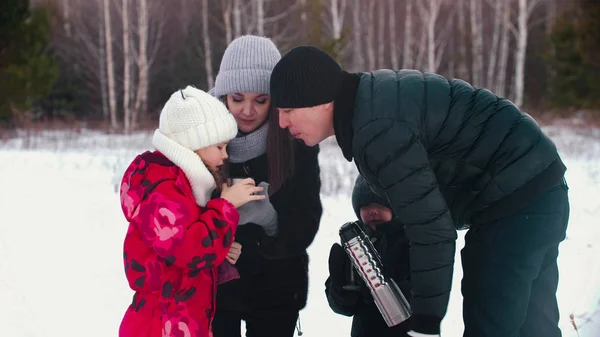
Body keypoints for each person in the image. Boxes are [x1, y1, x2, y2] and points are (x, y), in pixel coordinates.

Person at [269, 46, 570, 337]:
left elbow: (430, 229)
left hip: (514, 203)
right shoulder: (371, 103)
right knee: (534, 327)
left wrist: (424, 322)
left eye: (287, 110)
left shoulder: (375, 127)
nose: (282, 122)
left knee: (492, 325)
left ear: (320, 100)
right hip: (540, 187)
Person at [118, 86, 266, 337]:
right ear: (193, 145)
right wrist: (226, 207)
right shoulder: (162, 188)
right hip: (160, 325)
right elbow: (189, 249)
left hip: (183, 320)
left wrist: (221, 249)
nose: (225, 155)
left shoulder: (184, 186)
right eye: (219, 147)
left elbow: (181, 247)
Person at [209, 36, 323, 337]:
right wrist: (215, 233)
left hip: (278, 289)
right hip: (216, 289)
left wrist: (271, 221)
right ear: (222, 96)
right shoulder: (203, 141)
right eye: (237, 99)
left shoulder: (296, 140)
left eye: (261, 100)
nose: (248, 110)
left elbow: (306, 221)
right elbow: (181, 218)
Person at [326, 175, 411, 337]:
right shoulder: (353, 242)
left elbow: (430, 290)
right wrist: (341, 293)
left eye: (380, 204)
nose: (372, 211)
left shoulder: (412, 238)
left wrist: (396, 291)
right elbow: (341, 306)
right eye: (365, 205)